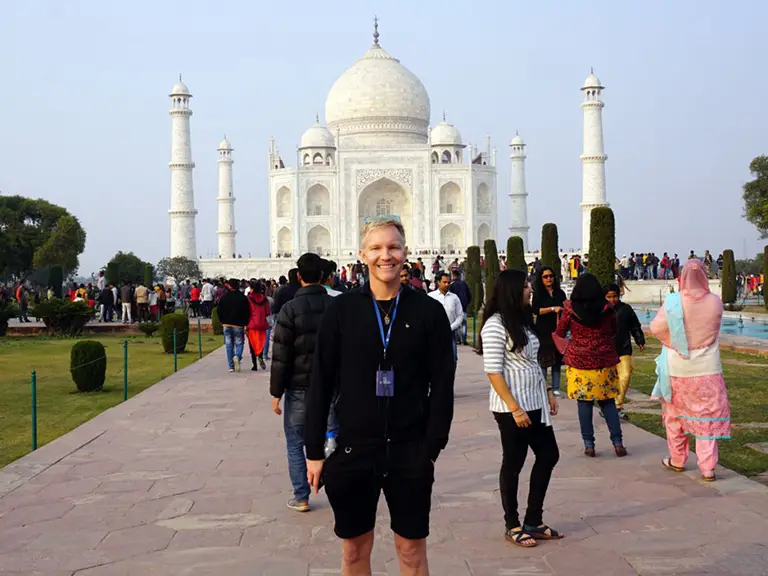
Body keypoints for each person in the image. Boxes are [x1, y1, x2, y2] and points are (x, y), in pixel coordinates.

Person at [305, 217, 455, 575]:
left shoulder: (427, 312)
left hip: (410, 448)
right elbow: (320, 383)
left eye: (392, 247)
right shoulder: (341, 312)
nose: (385, 256)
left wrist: (431, 448)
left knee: (411, 549)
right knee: (355, 551)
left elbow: (443, 386)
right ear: (362, 254)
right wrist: (313, 452)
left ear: (405, 253)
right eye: (376, 248)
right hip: (355, 448)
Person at [479, 269, 561, 548]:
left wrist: (548, 391)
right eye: (526, 286)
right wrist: (514, 408)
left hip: (534, 401)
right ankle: (512, 524)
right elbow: (493, 372)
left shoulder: (524, 321)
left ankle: (533, 520)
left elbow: (534, 361)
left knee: (549, 455)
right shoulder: (495, 325)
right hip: (511, 407)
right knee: (513, 463)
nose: (531, 289)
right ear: (513, 290)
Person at [651, 260, 730, 481]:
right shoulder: (715, 302)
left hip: (679, 368)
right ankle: (707, 468)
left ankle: (677, 460)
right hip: (708, 369)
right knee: (707, 418)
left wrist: (675, 343)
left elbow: (655, 328)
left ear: (682, 277)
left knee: (675, 416)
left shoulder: (674, 302)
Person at [270, 252, 335, 512]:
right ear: (324, 276)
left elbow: (281, 355)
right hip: (330, 386)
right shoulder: (335, 307)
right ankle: (336, 489)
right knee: (332, 439)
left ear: (299, 277)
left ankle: (301, 495)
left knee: (296, 442)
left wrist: (276, 393)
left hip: (298, 388)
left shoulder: (290, 310)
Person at [555, 274, 626, 458]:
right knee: (608, 402)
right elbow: (614, 330)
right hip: (604, 361)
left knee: (584, 403)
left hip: (580, 363)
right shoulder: (607, 309)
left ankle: (589, 445)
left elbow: (561, 332)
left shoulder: (570, 310)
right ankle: (617, 443)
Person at [604, 283, 645, 420]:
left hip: (623, 348)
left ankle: (617, 405)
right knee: (609, 380)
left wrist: (639, 339)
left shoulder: (626, 309)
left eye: (614, 296)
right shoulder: (600, 310)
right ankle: (609, 407)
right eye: (609, 297)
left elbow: (635, 325)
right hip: (606, 350)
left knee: (625, 375)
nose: (612, 300)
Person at [532, 267, 567, 398]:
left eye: (550, 276)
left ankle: (556, 387)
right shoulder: (539, 294)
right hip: (543, 330)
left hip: (558, 329)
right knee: (544, 360)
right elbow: (535, 310)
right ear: (541, 279)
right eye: (545, 276)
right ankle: (543, 387)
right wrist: (552, 309)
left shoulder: (560, 293)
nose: (548, 279)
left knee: (557, 360)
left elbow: (565, 307)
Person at [216, 279, 251, 372]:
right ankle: (237, 356)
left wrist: (221, 320)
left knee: (228, 344)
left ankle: (231, 366)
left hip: (226, 323)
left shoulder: (224, 297)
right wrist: (246, 323)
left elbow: (219, 310)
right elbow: (247, 312)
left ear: (229, 286)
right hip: (238, 324)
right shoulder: (242, 297)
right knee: (239, 343)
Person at [429, 271, 464, 362]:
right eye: (444, 282)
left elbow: (460, 315)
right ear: (438, 282)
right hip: (434, 333)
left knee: (452, 358)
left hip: (450, 332)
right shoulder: (430, 297)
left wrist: (450, 327)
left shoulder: (454, 297)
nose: (447, 284)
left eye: (448, 282)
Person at [246, 281, 271, 371]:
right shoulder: (265, 299)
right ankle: (260, 355)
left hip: (252, 324)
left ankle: (254, 365)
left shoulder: (248, 298)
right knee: (261, 342)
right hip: (262, 324)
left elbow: (247, 311)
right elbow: (268, 312)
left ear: (252, 289)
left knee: (252, 344)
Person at [449, 269, 472, 345]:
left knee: (457, 324)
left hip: (456, 307)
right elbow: (469, 295)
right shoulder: (464, 284)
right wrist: (466, 303)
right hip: (464, 305)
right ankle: (464, 339)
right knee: (464, 323)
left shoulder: (452, 285)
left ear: (454, 276)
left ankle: (458, 339)